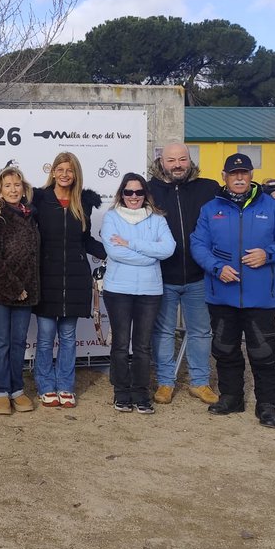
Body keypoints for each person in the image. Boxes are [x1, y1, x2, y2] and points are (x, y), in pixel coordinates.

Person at [148, 143, 275, 406]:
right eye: (171, 160)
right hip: (164, 275)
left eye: (182, 159)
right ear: (161, 162)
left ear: (189, 161)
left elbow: (243, 188)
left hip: (201, 276)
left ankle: (199, 383)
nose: (177, 164)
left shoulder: (209, 187)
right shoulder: (150, 190)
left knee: (201, 332)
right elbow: (127, 200)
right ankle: (166, 383)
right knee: (165, 332)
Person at [190, 153, 275, 428]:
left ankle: (267, 405)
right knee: (224, 349)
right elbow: (198, 245)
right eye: (233, 174)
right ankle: (231, 398)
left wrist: (269, 254)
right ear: (224, 176)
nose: (239, 178)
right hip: (221, 295)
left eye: (244, 173)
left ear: (251, 175)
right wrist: (217, 268)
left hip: (260, 297)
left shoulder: (273, 207)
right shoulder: (210, 209)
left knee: (264, 353)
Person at [31, 151, 107, 409]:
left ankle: (65, 386)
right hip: (46, 276)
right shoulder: (38, 199)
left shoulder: (83, 202)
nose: (65, 174)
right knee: (45, 336)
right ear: (52, 172)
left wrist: (115, 252)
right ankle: (45, 385)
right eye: (60, 169)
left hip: (76, 278)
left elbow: (85, 241)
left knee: (68, 336)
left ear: (76, 174)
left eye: (70, 170)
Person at [101, 173, 175, 414]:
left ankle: (141, 392)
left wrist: (131, 243)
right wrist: (149, 255)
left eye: (138, 192)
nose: (134, 197)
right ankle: (121, 392)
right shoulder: (111, 217)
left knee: (143, 346)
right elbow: (115, 252)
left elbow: (168, 249)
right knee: (121, 345)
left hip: (149, 291)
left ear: (145, 194)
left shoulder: (157, 219)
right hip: (118, 290)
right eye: (129, 192)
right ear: (122, 194)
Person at [0, 166, 40, 415]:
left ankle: (17, 390)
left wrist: (25, 289)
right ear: (0, 191)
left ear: (24, 189)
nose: (13, 190)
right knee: (1, 342)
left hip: (25, 290)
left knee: (18, 341)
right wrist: (14, 288)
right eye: (8, 186)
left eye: (17, 185)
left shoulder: (31, 215)